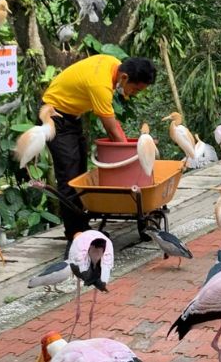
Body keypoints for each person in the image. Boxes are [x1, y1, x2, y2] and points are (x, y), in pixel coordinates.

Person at [41, 55, 156, 241]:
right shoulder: (100, 86)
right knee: (69, 176)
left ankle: (82, 227)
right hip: (54, 117)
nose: (134, 93)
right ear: (124, 77)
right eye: (135, 89)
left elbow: (114, 126)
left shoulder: (111, 63)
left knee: (79, 173)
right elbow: (112, 129)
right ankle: (74, 233)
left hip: (72, 116)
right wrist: (132, 157)